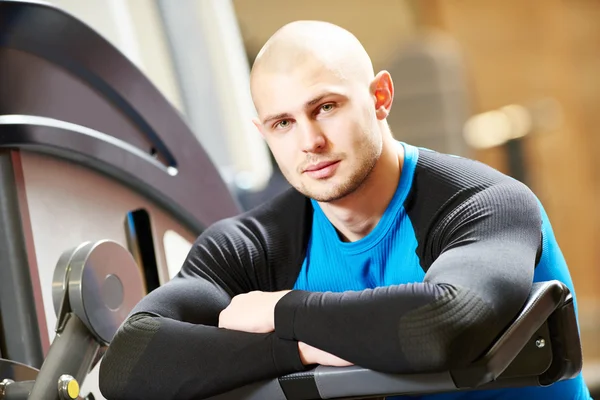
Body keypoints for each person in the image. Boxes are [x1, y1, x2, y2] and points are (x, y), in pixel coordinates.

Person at [98, 21, 591, 400]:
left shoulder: (484, 203)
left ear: (380, 97)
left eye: (326, 107)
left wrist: (279, 309)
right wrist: (304, 346)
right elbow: (130, 362)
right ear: (264, 132)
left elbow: (439, 326)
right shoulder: (252, 246)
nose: (310, 141)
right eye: (283, 123)